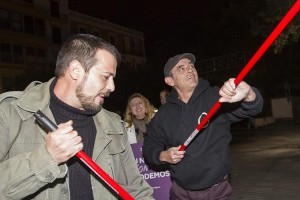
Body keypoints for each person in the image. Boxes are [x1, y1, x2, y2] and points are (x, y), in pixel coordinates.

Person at [0, 34, 154, 200]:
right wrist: (47, 158)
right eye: (105, 77)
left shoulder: (114, 126)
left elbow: (136, 190)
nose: (112, 87)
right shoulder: (10, 113)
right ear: (76, 71)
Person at [143, 53, 263, 200]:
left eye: (191, 66)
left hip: (217, 191)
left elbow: (252, 109)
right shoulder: (163, 114)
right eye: (181, 68)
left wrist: (248, 94)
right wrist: (163, 155)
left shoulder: (216, 97)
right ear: (169, 80)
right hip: (181, 194)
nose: (190, 70)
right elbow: (149, 146)